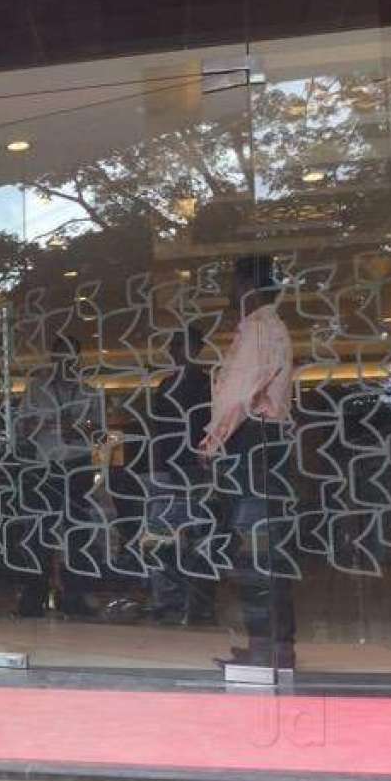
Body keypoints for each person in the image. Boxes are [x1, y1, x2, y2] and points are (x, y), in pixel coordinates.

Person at [198, 255, 295, 669]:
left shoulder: (257, 329)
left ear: (249, 286)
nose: (229, 293)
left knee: (254, 545)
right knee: (265, 545)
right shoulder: (272, 327)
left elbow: (238, 395)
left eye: (234, 284)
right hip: (266, 440)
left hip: (252, 439)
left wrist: (212, 441)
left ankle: (265, 647)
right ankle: (274, 644)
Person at [14, 334, 100, 617]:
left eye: (69, 355)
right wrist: (43, 423)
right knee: (41, 532)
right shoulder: (37, 389)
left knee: (76, 533)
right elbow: (22, 428)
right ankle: (35, 595)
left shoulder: (89, 392)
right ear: (53, 358)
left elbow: (98, 432)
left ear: (77, 358)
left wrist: (77, 428)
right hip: (46, 464)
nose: (65, 361)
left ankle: (74, 594)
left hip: (77, 465)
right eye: (60, 355)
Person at [141, 325, 215, 625]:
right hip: (168, 469)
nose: (173, 351)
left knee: (194, 537)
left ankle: (192, 601)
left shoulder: (205, 385)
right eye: (173, 345)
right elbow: (157, 428)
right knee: (163, 537)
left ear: (195, 348)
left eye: (179, 345)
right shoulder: (168, 385)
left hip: (193, 469)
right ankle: (172, 599)